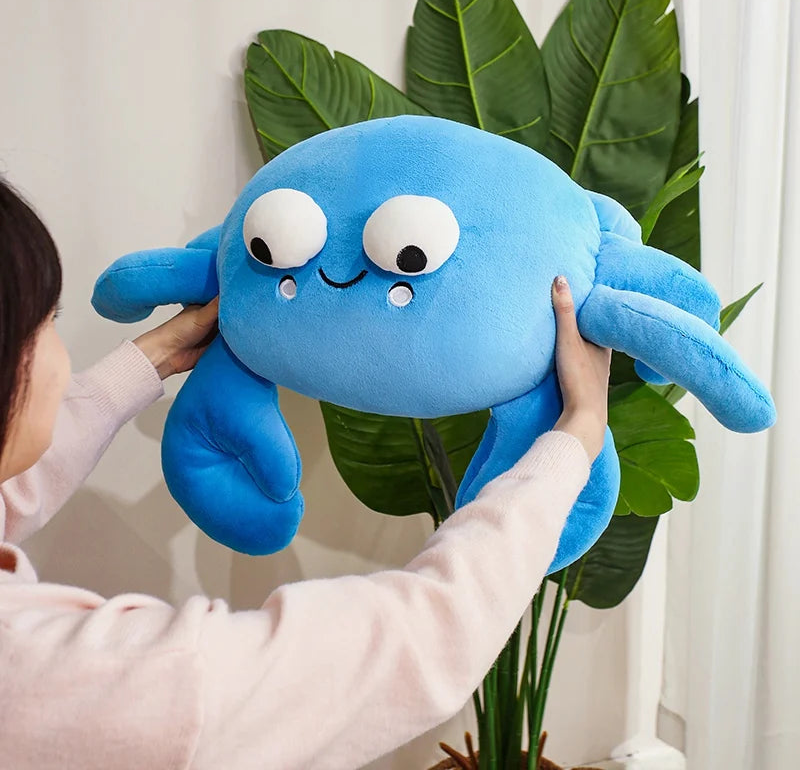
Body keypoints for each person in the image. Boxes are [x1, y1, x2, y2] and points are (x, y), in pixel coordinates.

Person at [0, 175, 611, 770]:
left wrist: (151, 358)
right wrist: (574, 436)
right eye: (45, 325)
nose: (62, 352)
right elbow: (419, 640)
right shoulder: (62, 676)